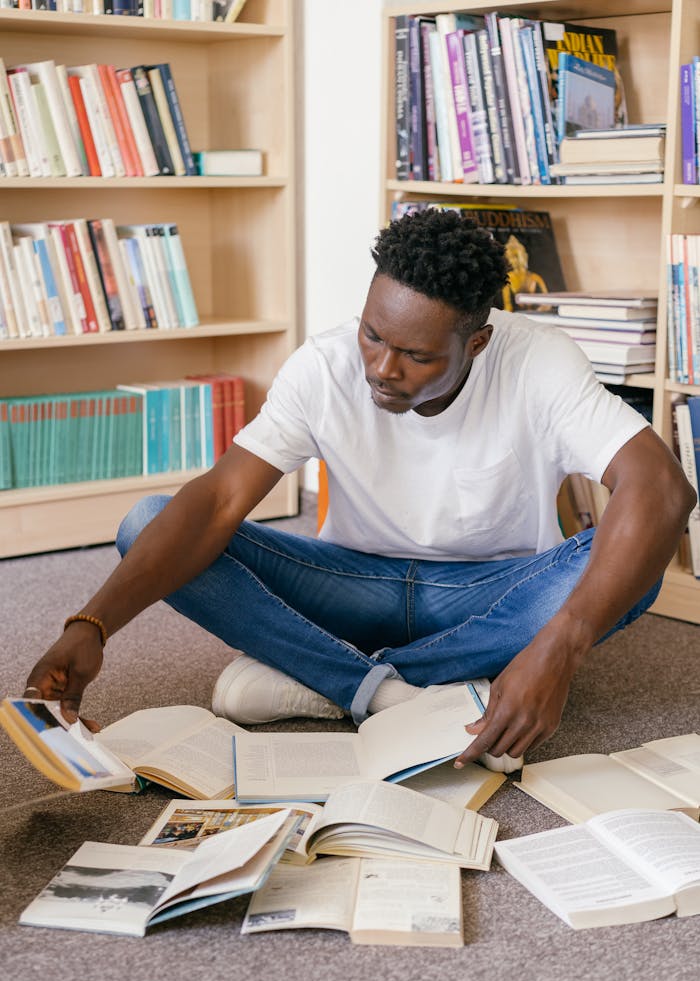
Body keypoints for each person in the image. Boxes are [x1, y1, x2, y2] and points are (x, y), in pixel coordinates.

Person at [24, 210, 695, 772]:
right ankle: (393, 692)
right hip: (346, 586)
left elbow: (662, 490)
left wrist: (561, 645)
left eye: (417, 356)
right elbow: (221, 501)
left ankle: (324, 680)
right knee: (150, 520)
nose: (380, 367)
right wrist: (93, 624)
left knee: (634, 566)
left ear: (478, 342)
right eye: (372, 334)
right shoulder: (323, 366)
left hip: (492, 593)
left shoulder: (539, 361)